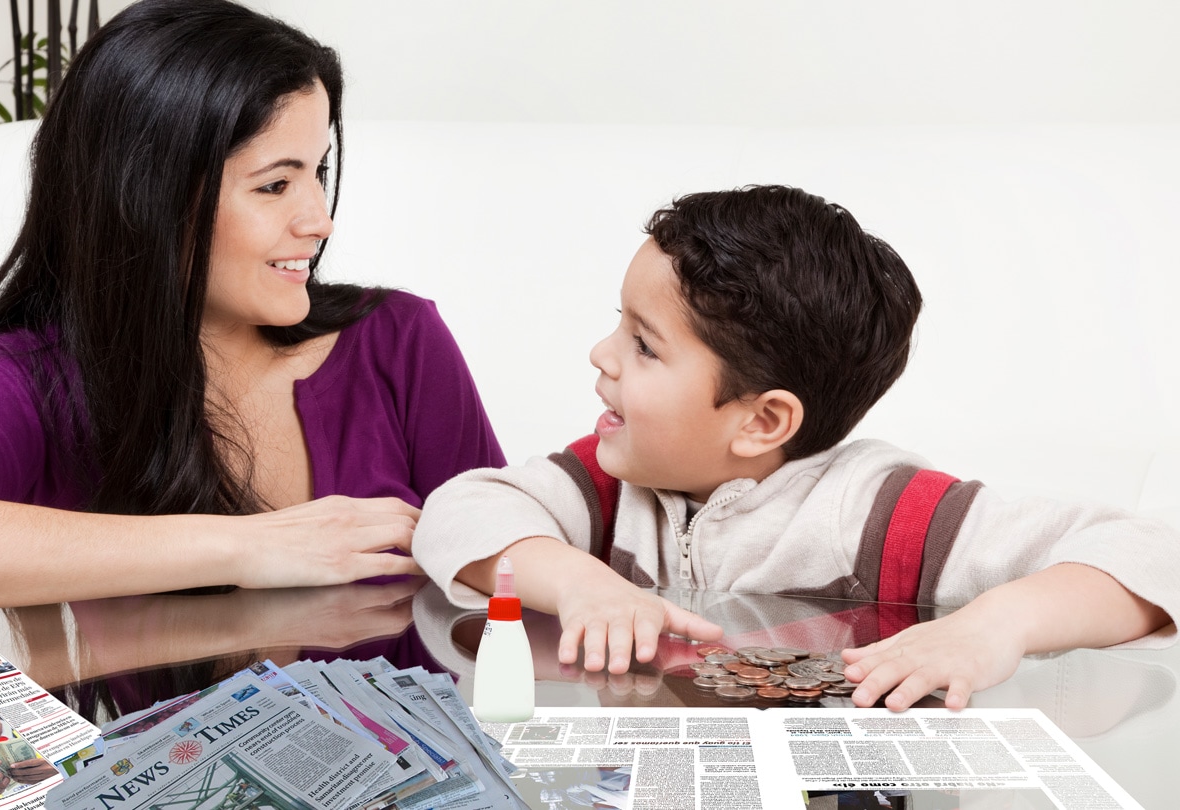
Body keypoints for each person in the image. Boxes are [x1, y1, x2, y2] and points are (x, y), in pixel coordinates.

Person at [0, 0, 503, 613]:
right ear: (146, 198)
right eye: (274, 186)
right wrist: (249, 549)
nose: (318, 221)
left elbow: (505, 561)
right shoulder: (30, 375)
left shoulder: (399, 341)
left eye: (317, 173)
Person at [412, 185, 1178, 711]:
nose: (600, 354)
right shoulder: (608, 483)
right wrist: (582, 585)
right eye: (619, 324)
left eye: (643, 346)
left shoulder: (891, 515)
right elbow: (458, 510)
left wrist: (992, 626)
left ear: (763, 422)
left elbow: (1151, 556)